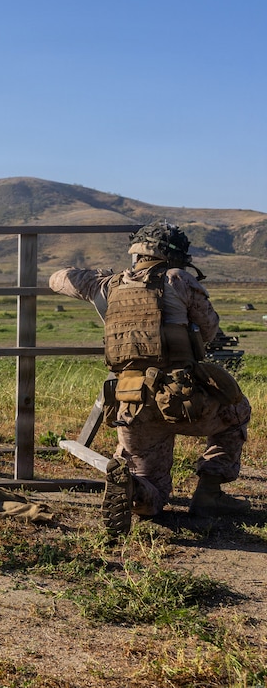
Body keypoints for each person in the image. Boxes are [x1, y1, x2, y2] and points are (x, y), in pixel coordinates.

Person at [49, 221, 251, 536]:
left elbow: (58, 278)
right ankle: (210, 494)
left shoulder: (107, 285)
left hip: (131, 402)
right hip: (184, 400)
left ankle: (134, 490)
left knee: (153, 487)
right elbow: (209, 329)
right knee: (238, 412)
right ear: (176, 257)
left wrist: (101, 273)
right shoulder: (180, 280)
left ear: (137, 252)